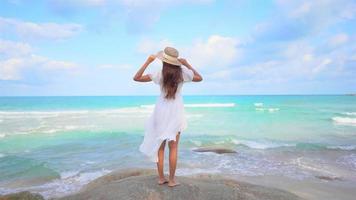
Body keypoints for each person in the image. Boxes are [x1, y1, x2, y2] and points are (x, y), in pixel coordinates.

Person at [133, 46, 202, 187]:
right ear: (176, 61)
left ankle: (160, 178)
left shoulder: (159, 73)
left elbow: (136, 78)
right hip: (176, 111)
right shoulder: (183, 73)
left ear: (165, 61)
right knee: (174, 147)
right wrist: (187, 64)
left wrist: (148, 61)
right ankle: (171, 180)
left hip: (161, 110)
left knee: (160, 147)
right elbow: (199, 78)